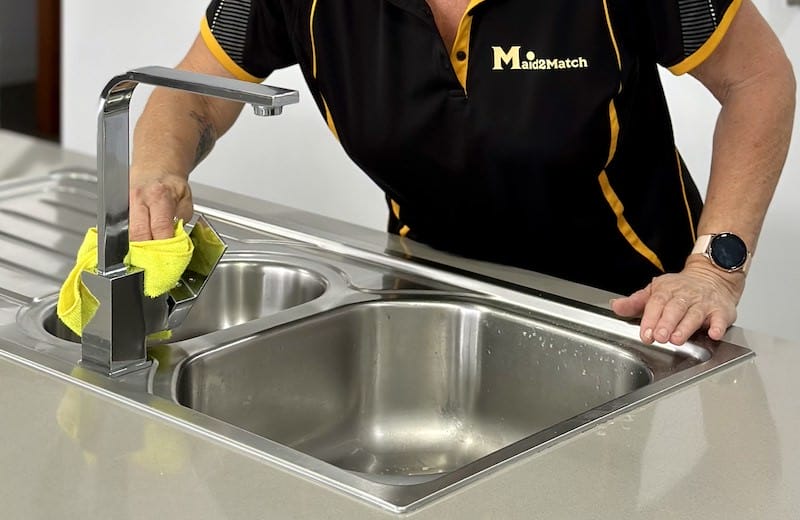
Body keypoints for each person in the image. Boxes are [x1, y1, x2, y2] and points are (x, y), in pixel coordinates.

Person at [129, 0, 795, 346]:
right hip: (432, 292)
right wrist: (158, 174)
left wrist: (715, 269)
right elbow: (189, 93)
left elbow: (758, 79)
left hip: (631, 314)